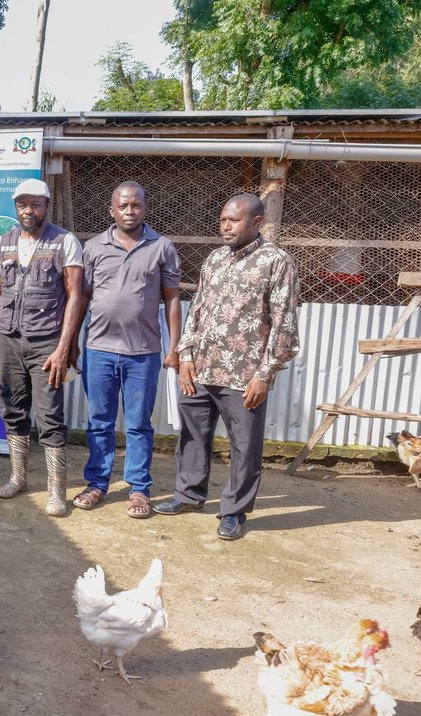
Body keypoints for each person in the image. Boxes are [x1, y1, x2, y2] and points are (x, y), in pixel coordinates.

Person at [153, 192, 300, 541]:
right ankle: (189, 495)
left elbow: (284, 324)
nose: (225, 226)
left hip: (244, 375)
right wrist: (185, 355)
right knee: (192, 435)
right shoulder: (215, 259)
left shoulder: (277, 262)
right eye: (222, 220)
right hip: (201, 369)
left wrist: (265, 374)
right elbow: (197, 311)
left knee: (245, 445)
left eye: (233, 220)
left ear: (257, 222)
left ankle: (234, 511)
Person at [0, 178, 87, 516]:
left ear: (46, 206)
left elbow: (75, 297)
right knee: (12, 410)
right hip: (8, 340)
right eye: (23, 204)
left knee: (49, 416)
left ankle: (57, 491)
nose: (29, 210)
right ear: (17, 207)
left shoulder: (64, 241)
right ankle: (19, 477)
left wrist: (63, 347)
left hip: (46, 344)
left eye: (35, 204)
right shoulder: (4, 243)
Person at [75, 181, 182, 520]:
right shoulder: (93, 247)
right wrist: (72, 344)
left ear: (144, 209)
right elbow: (82, 299)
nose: (129, 211)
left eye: (136, 205)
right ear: (112, 210)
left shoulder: (161, 247)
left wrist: (175, 346)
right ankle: (97, 484)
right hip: (98, 349)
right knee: (99, 422)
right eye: (123, 206)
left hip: (143, 352)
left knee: (138, 424)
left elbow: (172, 299)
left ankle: (138, 488)